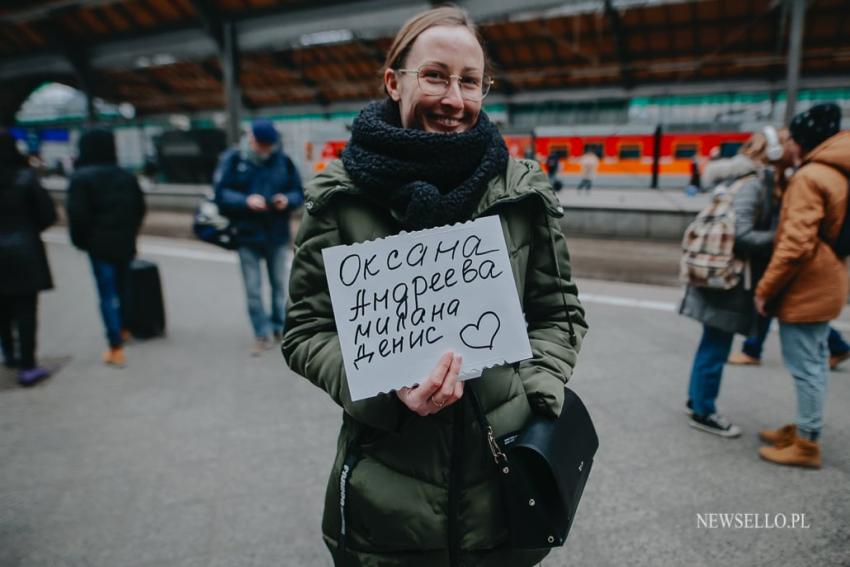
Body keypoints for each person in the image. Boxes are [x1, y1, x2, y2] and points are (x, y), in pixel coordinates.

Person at [281, 7, 587, 566]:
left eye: (470, 81)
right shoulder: (340, 197)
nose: (454, 98)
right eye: (436, 75)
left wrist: (533, 394)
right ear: (394, 82)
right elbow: (306, 331)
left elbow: (557, 311)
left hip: (503, 488)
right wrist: (380, 387)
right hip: (386, 490)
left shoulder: (522, 193)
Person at [755, 103, 849, 468]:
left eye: (791, 137)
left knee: (806, 365)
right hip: (828, 280)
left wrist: (765, 289)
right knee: (815, 362)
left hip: (807, 286)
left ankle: (807, 444)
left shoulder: (810, 178)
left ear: (804, 139)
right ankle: (806, 429)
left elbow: (794, 246)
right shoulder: (834, 171)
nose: (787, 143)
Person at [679, 130, 787, 437]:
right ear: (773, 152)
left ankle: (696, 399)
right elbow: (741, 235)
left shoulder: (737, 179)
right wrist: (777, 237)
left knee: (710, 342)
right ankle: (704, 411)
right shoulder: (753, 184)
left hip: (717, 276)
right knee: (716, 345)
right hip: (729, 280)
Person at [214, 119, 304, 356]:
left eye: (268, 145)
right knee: (253, 289)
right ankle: (261, 333)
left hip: (276, 233)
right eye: (261, 144)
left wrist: (287, 200)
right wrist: (246, 201)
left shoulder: (282, 161)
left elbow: (297, 191)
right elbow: (220, 193)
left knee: (279, 286)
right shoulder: (233, 160)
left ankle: (279, 327)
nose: (265, 149)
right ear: (251, 138)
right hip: (247, 235)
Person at [67, 128, 146, 367]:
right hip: (124, 241)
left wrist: (83, 241)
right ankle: (124, 329)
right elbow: (139, 208)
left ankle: (115, 347)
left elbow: (77, 215)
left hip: (99, 246)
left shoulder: (81, 178)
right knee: (124, 289)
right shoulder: (125, 175)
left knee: (106, 294)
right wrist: (130, 232)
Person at [0, 130, 56, 386]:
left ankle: (9, 354)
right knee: (25, 309)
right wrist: (28, 229)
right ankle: (28, 365)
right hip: (24, 251)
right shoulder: (26, 176)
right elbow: (47, 214)